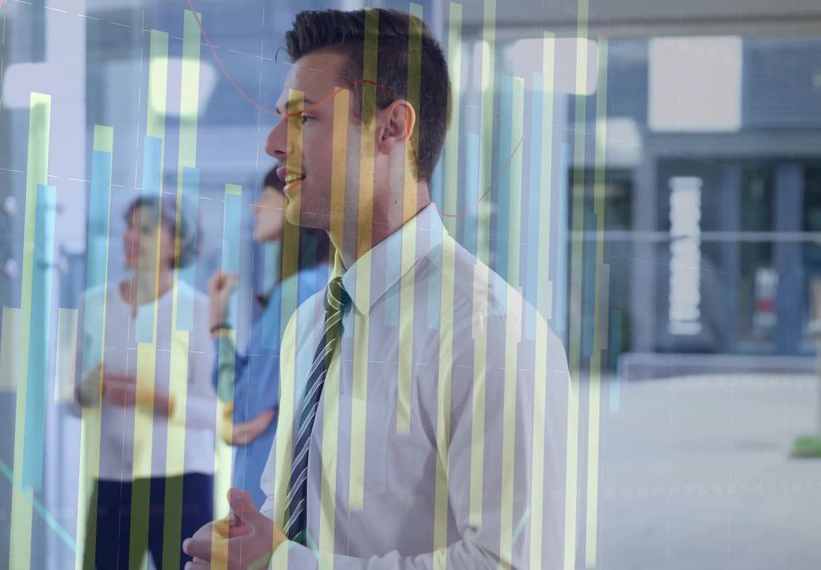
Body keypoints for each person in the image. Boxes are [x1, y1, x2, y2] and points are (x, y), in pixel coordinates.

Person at [185, 9, 570, 569]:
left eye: (303, 120)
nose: (273, 144)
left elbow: (509, 563)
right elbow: (295, 524)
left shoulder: (491, 335)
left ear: (392, 127)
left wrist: (285, 565)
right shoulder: (313, 322)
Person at [72, 194, 218, 569]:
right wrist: (88, 390)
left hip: (182, 482)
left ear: (177, 243)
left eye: (147, 230)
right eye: (130, 227)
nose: (131, 238)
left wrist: (162, 401)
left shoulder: (201, 311)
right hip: (111, 480)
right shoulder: (93, 305)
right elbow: (72, 402)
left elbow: (217, 413)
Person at [208, 169, 330, 508]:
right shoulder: (326, 282)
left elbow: (244, 399)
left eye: (266, 196)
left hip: (266, 485)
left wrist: (217, 324)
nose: (256, 208)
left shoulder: (296, 291)